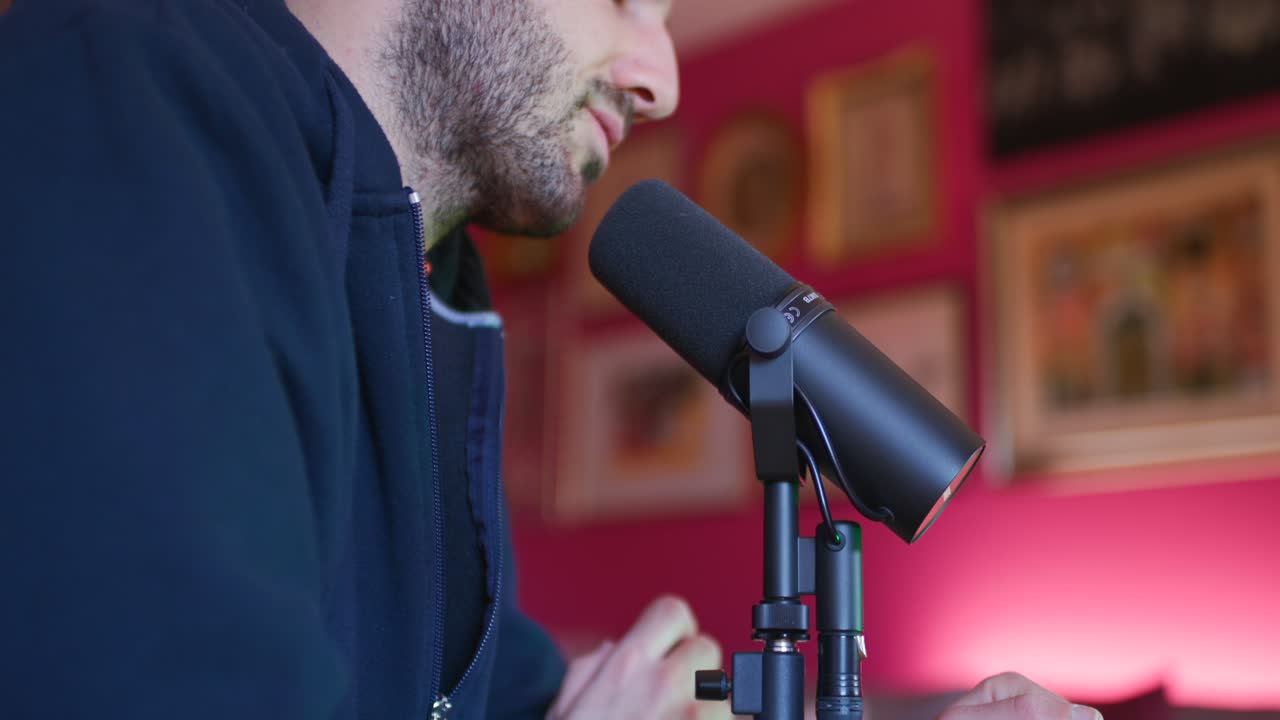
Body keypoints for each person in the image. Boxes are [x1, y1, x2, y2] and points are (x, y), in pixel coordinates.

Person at [0, 0, 1099, 718]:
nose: (660, 78)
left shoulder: (434, 293)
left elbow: (514, 689)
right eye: (629, 0)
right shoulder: (118, 109)